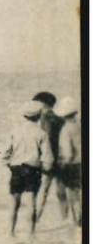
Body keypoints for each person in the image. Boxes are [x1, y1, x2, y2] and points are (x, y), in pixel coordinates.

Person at [1, 100, 53, 236]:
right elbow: (47, 157)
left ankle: (10, 231)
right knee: (31, 202)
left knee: (14, 202)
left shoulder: (15, 131)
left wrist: (10, 166)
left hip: (16, 169)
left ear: (24, 115)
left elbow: (5, 154)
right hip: (32, 169)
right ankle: (31, 233)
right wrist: (45, 167)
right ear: (38, 116)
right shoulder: (41, 134)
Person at [52, 96, 82, 226]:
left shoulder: (65, 130)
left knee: (72, 194)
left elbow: (68, 152)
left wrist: (62, 164)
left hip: (72, 164)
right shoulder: (79, 126)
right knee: (79, 193)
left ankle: (76, 221)